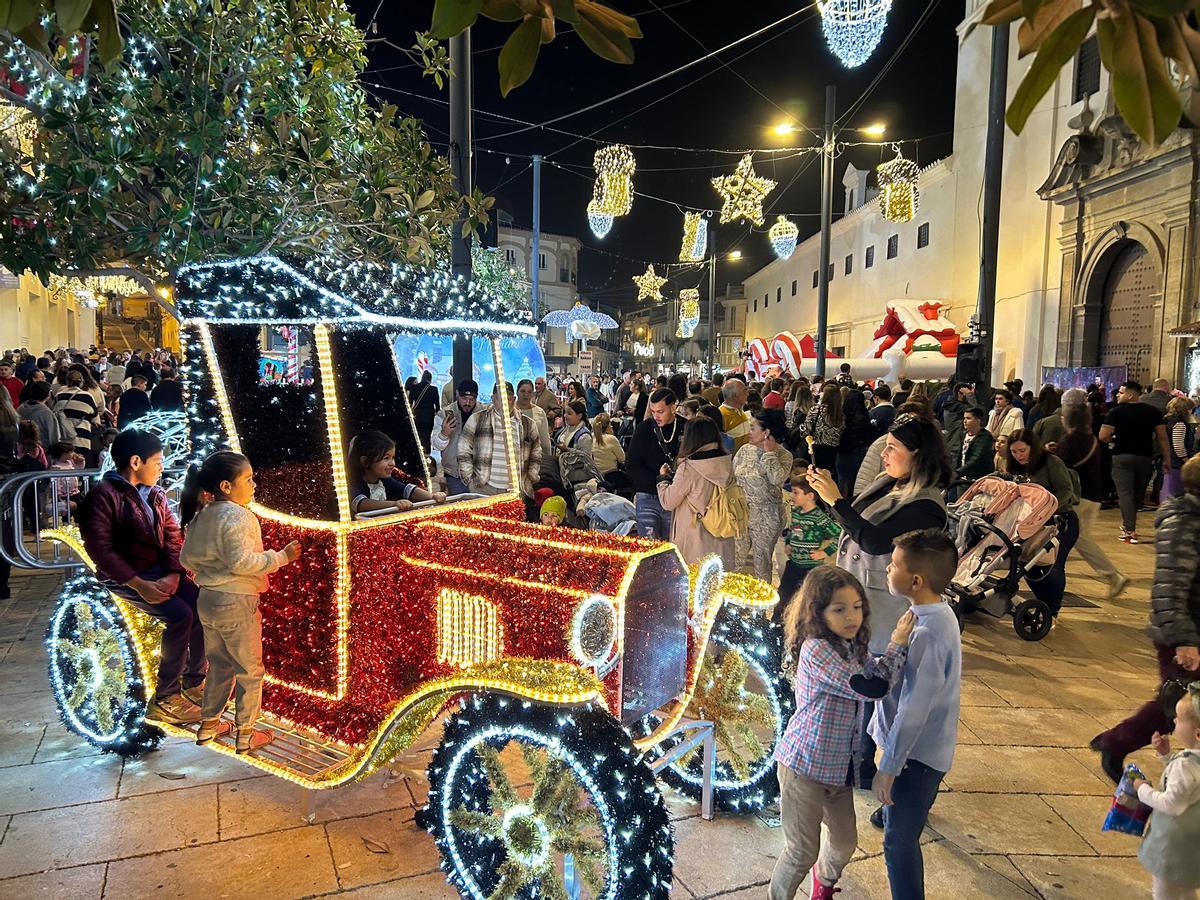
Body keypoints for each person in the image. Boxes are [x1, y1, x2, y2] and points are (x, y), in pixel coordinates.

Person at [807, 414, 952, 787]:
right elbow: (854, 525)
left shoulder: (927, 504)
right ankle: (858, 765)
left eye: (892, 448)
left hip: (884, 607)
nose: (884, 454)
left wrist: (836, 500)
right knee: (865, 686)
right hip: (860, 596)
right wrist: (828, 497)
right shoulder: (889, 482)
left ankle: (878, 771)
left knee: (881, 693)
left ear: (917, 455)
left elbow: (875, 540)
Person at [770, 567, 912, 900]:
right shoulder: (818, 649)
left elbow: (872, 671)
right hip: (803, 767)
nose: (852, 616)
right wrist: (897, 645)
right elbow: (872, 686)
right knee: (801, 851)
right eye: (839, 609)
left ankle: (824, 884)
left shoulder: (851, 645)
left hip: (837, 770)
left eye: (857, 606)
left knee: (846, 841)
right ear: (818, 613)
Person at [77, 430, 206, 725]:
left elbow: (173, 536)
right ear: (136, 462)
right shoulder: (103, 496)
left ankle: (195, 681)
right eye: (158, 462)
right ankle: (165, 698)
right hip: (126, 576)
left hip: (161, 572)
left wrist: (174, 573)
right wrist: (138, 584)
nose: (161, 468)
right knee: (179, 615)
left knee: (203, 606)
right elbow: (101, 550)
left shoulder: (157, 494)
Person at [180, 451, 301, 752]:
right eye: (248, 480)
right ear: (226, 486)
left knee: (219, 665)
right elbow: (241, 561)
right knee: (249, 670)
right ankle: (246, 733)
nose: (254, 485)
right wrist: (281, 557)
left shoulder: (203, 515)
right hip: (236, 600)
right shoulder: (237, 515)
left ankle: (209, 725)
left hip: (207, 599)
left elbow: (185, 557)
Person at [1091, 457, 1200, 784]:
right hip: (1183, 632)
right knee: (1179, 705)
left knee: (1181, 703)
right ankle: (1116, 743)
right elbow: (1170, 585)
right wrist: (1185, 639)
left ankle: (1116, 740)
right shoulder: (1184, 522)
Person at [869, 529, 962, 900]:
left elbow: (915, 706)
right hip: (925, 752)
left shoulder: (927, 631)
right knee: (901, 819)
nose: (888, 570)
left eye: (893, 565)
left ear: (916, 580)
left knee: (898, 842)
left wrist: (889, 767)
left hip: (915, 759)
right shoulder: (936, 614)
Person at [1130, 684, 1200, 900]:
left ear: (1197, 733)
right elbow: (1190, 786)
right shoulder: (1190, 763)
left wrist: (1143, 790)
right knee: (1186, 889)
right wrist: (1167, 755)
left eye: (1179, 719)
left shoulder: (1184, 765)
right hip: (1192, 844)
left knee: (1165, 893)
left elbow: (1172, 803)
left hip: (1172, 847)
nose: (1174, 722)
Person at [1003, 429, 1080, 619]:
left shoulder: (1051, 462)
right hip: (1033, 525)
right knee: (1029, 565)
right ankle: (1043, 606)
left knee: (1054, 566)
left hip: (1061, 522)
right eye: (1014, 452)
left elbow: (1066, 491)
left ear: (1033, 447)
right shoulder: (1018, 467)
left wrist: (1046, 511)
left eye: (1022, 450)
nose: (1018, 455)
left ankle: (1052, 609)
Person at [1054, 401, 1127, 599]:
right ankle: (1111, 575)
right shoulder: (1091, 439)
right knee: (1079, 538)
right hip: (1093, 495)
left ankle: (1112, 575)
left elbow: (1057, 465)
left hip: (1078, 498)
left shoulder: (1069, 440)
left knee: (1074, 538)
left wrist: (1049, 451)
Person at [656, 415, 737, 568]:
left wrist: (663, 480)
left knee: (695, 585)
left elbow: (668, 501)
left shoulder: (689, 468)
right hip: (722, 535)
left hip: (695, 540)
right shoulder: (726, 463)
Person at [1101, 380, 1172, 543]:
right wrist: (1167, 458)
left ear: (1131, 394)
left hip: (1122, 456)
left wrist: (1115, 437)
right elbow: (1162, 437)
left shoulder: (1116, 412)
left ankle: (1129, 530)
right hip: (1145, 457)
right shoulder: (1153, 412)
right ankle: (1129, 524)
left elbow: (1103, 436)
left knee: (1125, 493)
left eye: (1121, 392)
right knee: (1138, 493)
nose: (1118, 395)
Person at [733, 409, 793, 582]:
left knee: (762, 564)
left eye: (753, 428)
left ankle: (760, 605)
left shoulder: (783, 455)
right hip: (741, 514)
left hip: (766, 517)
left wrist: (769, 454)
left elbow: (777, 479)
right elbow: (732, 476)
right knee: (735, 561)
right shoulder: (745, 450)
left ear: (766, 432)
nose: (749, 432)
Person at [776, 474, 841, 623]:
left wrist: (825, 552)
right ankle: (777, 624)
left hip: (810, 569)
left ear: (810, 496)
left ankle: (802, 627)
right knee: (783, 595)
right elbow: (792, 530)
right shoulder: (797, 512)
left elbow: (839, 535)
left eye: (796, 492)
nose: (792, 496)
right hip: (793, 565)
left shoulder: (819, 517)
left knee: (806, 601)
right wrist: (788, 542)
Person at [459, 382, 539, 497]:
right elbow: (463, 450)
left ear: (514, 399)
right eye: (499, 399)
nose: (503, 403)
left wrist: (532, 476)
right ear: (493, 398)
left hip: (516, 489)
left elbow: (536, 453)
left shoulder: (527, 424)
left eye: (508, 399)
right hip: (484, 487)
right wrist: (470, 479)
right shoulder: (477, 419)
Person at [347, 430, 446, 516]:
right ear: (365, 461)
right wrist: (394, 504)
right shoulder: (352, 484)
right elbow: (362, 504)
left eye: (393, 458)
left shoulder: (386, 481)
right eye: (386, 458)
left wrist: (432, 496)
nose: (392, 463)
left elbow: (409, 490)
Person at [626, 388, 681, 540]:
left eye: (661, 411)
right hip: (647, 496)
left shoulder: (685, 427)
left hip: (675, 497)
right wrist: (658, 481)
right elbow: (631, 465)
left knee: (673, 546)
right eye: (653, 411)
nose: (656, 416)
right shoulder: (644, 429)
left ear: (673, 407)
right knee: (649, 547)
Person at [431, 379, 478, 495]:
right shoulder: (444, 414)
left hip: (479, 475)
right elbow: (436, 445)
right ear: (457, 394)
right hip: (454, 475)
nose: (467, 402)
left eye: (471, 399)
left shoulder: (484, 413)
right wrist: (444, 433)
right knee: (458, 510)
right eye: (464, 398)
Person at [52, 369, 99, 465]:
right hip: (82, 438)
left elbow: (54, 412)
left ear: (67, 382)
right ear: (81, 382)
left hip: (64, 437)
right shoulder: (88, 397)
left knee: (65, 467)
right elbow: (94, 415)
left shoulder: (59, 396)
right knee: (80, 466)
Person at [836, 390, 878, 496]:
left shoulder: (840, 416)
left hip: (842, 451)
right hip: (858, 452)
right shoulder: (863, 417)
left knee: (843, 482)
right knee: (854, 482)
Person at [797, 384, 845, 470]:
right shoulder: (841, 414)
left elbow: (806, 430)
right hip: (832, 450)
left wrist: (800, 427)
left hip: (816, 448)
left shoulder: (816, 410)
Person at [1163, 397, 1196, 501]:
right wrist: (1187, 460)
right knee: (1175, 492)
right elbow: (1178, 445)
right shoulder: (1180, 424)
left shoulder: (1167, 421)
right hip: (1177, 464)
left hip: (1169, 461)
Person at [16, 380, 60, 448]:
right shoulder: (47, 413)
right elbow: (54, 438)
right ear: (48, 395)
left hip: (21, 448)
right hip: (41, 451)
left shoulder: (20, 408)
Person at [955, 407, 994, 483]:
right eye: (964, 418)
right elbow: (959, 455)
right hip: (962, 476)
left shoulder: (985, 437)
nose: (965, 421)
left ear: (978, 421)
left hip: (977, 478)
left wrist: (957, 472)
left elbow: (976, 458)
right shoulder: (963, 434)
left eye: (968, 418)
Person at [407, 371, 440, 455]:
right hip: (429, 416)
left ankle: (416, 453)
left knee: (417, 435)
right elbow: (437, 405)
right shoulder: (434, 389)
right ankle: (426, 455)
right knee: (426, 436)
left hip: (417, 415)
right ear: (430, 379)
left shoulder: (414, 387)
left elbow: (410, 401)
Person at [719, 378, 752, 451]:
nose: (747, 394)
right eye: (744, 391)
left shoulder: (740, 410)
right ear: (734, 396)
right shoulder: (722, 415)